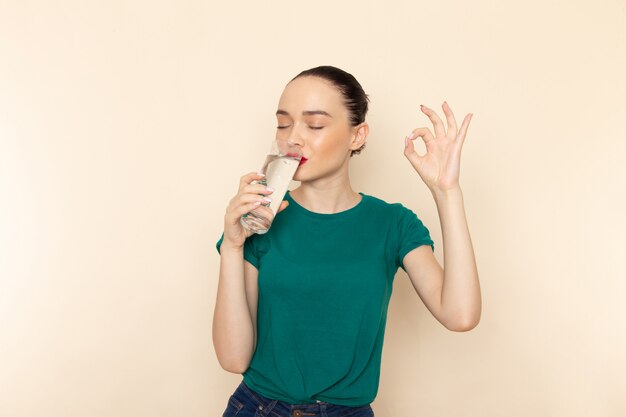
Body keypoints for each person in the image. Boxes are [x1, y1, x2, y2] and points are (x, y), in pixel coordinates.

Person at [213, 66, 481, 417]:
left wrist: (447, 192)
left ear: (357, 136)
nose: (293, 138)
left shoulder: (392, 224)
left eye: (315, 125)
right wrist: (232, 246)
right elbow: (234, 358)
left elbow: (460, 315)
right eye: (283, 123)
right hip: (258, 407)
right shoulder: (258, 221)